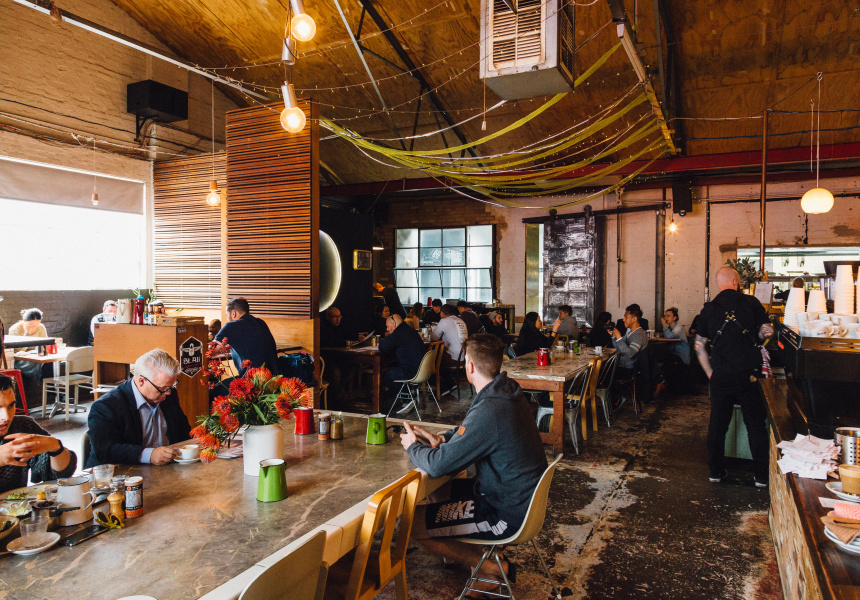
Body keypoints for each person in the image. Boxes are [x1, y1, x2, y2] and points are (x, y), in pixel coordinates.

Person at [399, 334, 547, 594]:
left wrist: (412, 446)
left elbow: (438, 465)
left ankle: (489, 568)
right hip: (517, 498)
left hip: (504, 514)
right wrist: (443, 438)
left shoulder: (491, 409)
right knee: (440, 490)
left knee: (410, 524)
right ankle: (474, 560)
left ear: (469, 366)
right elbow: (474, 431)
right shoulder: (506, 391)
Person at [695, 266, 773, 488]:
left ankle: (716, 472)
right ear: (736, 281)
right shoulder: (751, 302)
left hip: (721, 376)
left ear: (719, 284)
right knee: (755, 426)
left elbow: (699, 345)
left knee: (718, 425)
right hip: (749, 376)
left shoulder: (708, 309)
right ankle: (761, 477)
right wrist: (762, 336)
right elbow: (766, 332)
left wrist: (710, 374)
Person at [86, 349, 191, 468]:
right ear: (141, 381)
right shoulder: (106, 406)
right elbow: (105, 450)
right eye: (163, 388)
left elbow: (183, 432)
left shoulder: (168, 395)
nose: (168, 393)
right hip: (119, 471)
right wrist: (149, 455)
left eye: (171, 387)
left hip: (164, 469)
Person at [0, 373, 76, 494]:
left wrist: (55, 447)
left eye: (11, 405)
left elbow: (62, 475)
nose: (6, 417)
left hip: (16, 505)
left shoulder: (22, 427)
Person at [211, 297, 281, 377]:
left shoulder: (231, 326)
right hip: (274, 378)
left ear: (233, 313)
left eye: (227, 315)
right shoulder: (261, 323)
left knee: (215, 386)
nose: (227, 319)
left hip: (253, 380)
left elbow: (212, 350)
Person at [380, 315, 426, 411]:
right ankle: (410, 394)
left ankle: (407, 398)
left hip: (412, 372)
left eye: (388, 326)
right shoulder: (410, 330)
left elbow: (383, 347)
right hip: (423, 370)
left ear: (394, 324)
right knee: (394, 368)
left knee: (386, 376)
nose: (387, 329)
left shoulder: (398, 333)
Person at [10, 308, 49, 402]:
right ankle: (53, 393)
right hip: (21, 359)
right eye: (31, 324)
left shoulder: (40, 327)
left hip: (36, 356)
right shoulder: (15, 330)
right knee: (44, 366)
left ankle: (53, 394)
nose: (35, 327)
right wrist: (27, 334)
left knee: (49, 363)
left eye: (37, 324)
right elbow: (17, 350)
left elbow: (45, 344)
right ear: (24, 320)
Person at [431, 304, 468, 395]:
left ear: (442, 313)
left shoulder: (444, 321)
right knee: (441, 355)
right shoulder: (460, 320)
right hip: (464, 357)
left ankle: (443, 386)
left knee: (433, 359)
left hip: (454, 359)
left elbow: (434, 338)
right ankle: (450, 383)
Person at [612, 304, 648, 380]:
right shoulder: (631, 333)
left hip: (629, 370)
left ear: (634, 319)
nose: (623, 320)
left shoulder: (639, 334)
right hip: (623, 366)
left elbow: (630, 354)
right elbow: (620, 350)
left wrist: (619, 337)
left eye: (626, 317)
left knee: (602, 374)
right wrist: (614, 337)